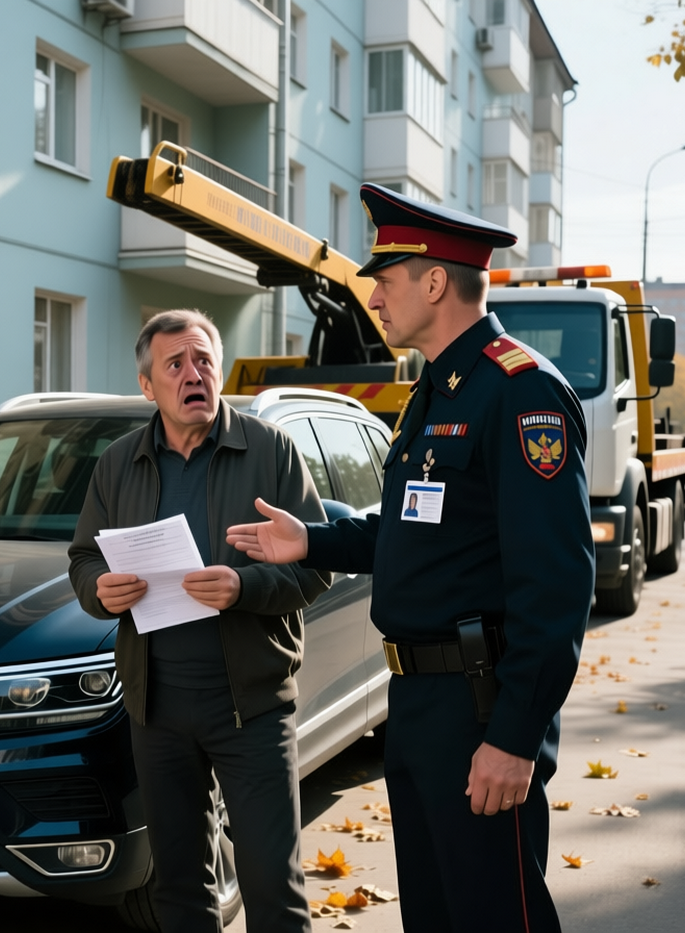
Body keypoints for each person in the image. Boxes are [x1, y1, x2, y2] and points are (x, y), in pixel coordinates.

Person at [226, 185, 595, 933]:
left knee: (495, 914)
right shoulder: (436, 390)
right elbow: (413, 528)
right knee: (434, 913)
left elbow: (556, 587)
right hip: (421, 704)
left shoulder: (519, 395)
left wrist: (515, 737)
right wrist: (312, 539)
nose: (372, 293)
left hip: (481, 708)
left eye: (384, 278)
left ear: (434, 281)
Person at [68, 310, 330, 933]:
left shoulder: (270, 451)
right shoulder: (117, 463)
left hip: (252, 708)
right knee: (180, 887)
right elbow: (83, 558)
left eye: (205, 360)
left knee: (272, 883)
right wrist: (99, 592)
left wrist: (244, 586)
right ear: (147, 385)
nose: (194, 375)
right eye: (176, 364)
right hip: (156, 711)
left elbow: (318, 568)